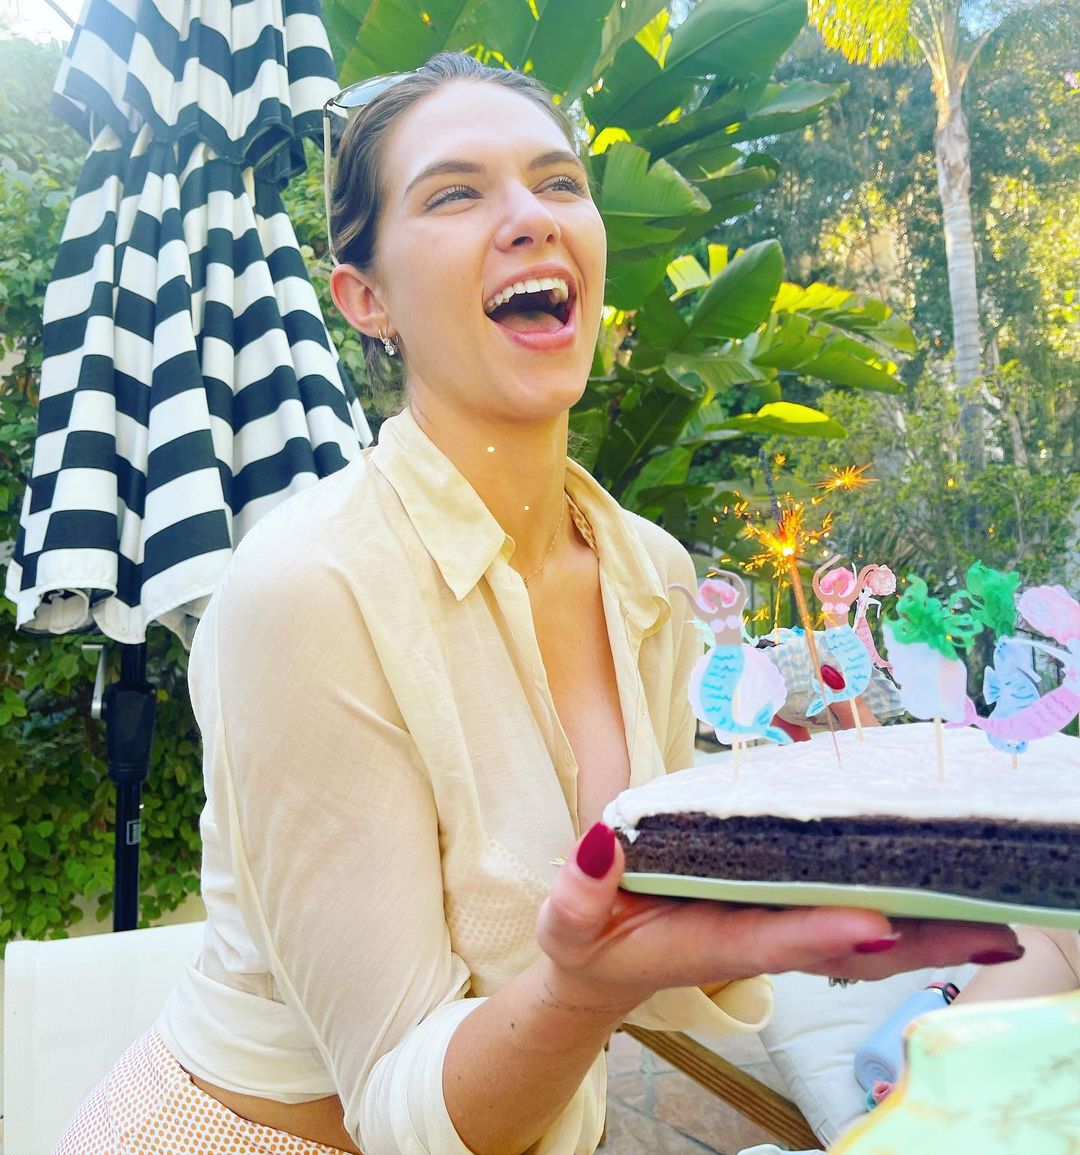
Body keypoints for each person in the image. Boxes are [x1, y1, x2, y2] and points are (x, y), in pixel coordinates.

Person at [55, 52, 1023, 1155]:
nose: (531, 218)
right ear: (367, 301)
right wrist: (585, 986)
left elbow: (644, 929)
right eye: (454, 194)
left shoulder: (650, 573)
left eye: (559, 182)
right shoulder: (307, 589)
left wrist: (780, 883)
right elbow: (398, 1104)